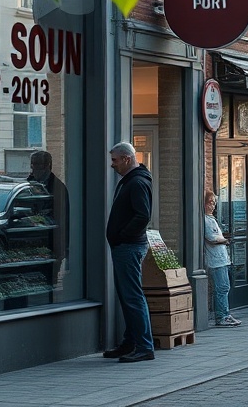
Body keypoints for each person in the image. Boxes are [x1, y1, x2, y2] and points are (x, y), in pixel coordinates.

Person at [103, 142, 155, 362]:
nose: (112, 165)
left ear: (126, 159)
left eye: (114, 160)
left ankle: (144, 346)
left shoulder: (137, 182)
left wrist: (123, 235)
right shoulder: (131, 181)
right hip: (125, 246)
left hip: (129, 246)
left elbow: (143, 215)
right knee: (127, 296)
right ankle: (131, 342)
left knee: (132, 296)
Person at [27, 150, 70, 284]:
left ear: (47, 165)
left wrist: (63, 247)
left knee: (49, 279)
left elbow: (63, 218)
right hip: (32, 240)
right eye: (32, 164)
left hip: (51, 241)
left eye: (36, 164)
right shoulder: (28, 184)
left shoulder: (57, 187)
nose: (33, 167)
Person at [204, 190, 241, 327]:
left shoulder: (211, 219)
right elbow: (212, 239)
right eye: (210, 203)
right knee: (222, 287)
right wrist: (225, 240)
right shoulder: (205, 220)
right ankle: (221, 316)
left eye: (214, 203)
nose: (212, 206)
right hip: (215, 260)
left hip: (221, 258)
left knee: (224, 287)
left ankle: (225, 313)